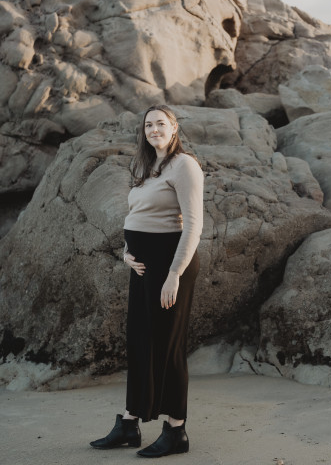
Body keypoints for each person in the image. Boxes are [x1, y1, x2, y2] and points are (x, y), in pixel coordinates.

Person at [90, 104, 204, 457]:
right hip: (142, 266)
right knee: (140, 342)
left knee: (168, 346)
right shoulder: (144, 165)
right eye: (148, 125)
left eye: (161, 124)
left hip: (170, 263)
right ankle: (129, 423)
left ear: (174, 128)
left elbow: (194, 225)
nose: (154, 129)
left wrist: (174, 274)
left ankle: (176, 430)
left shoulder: (185, 165)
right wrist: (127, 251)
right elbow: (137, 213)